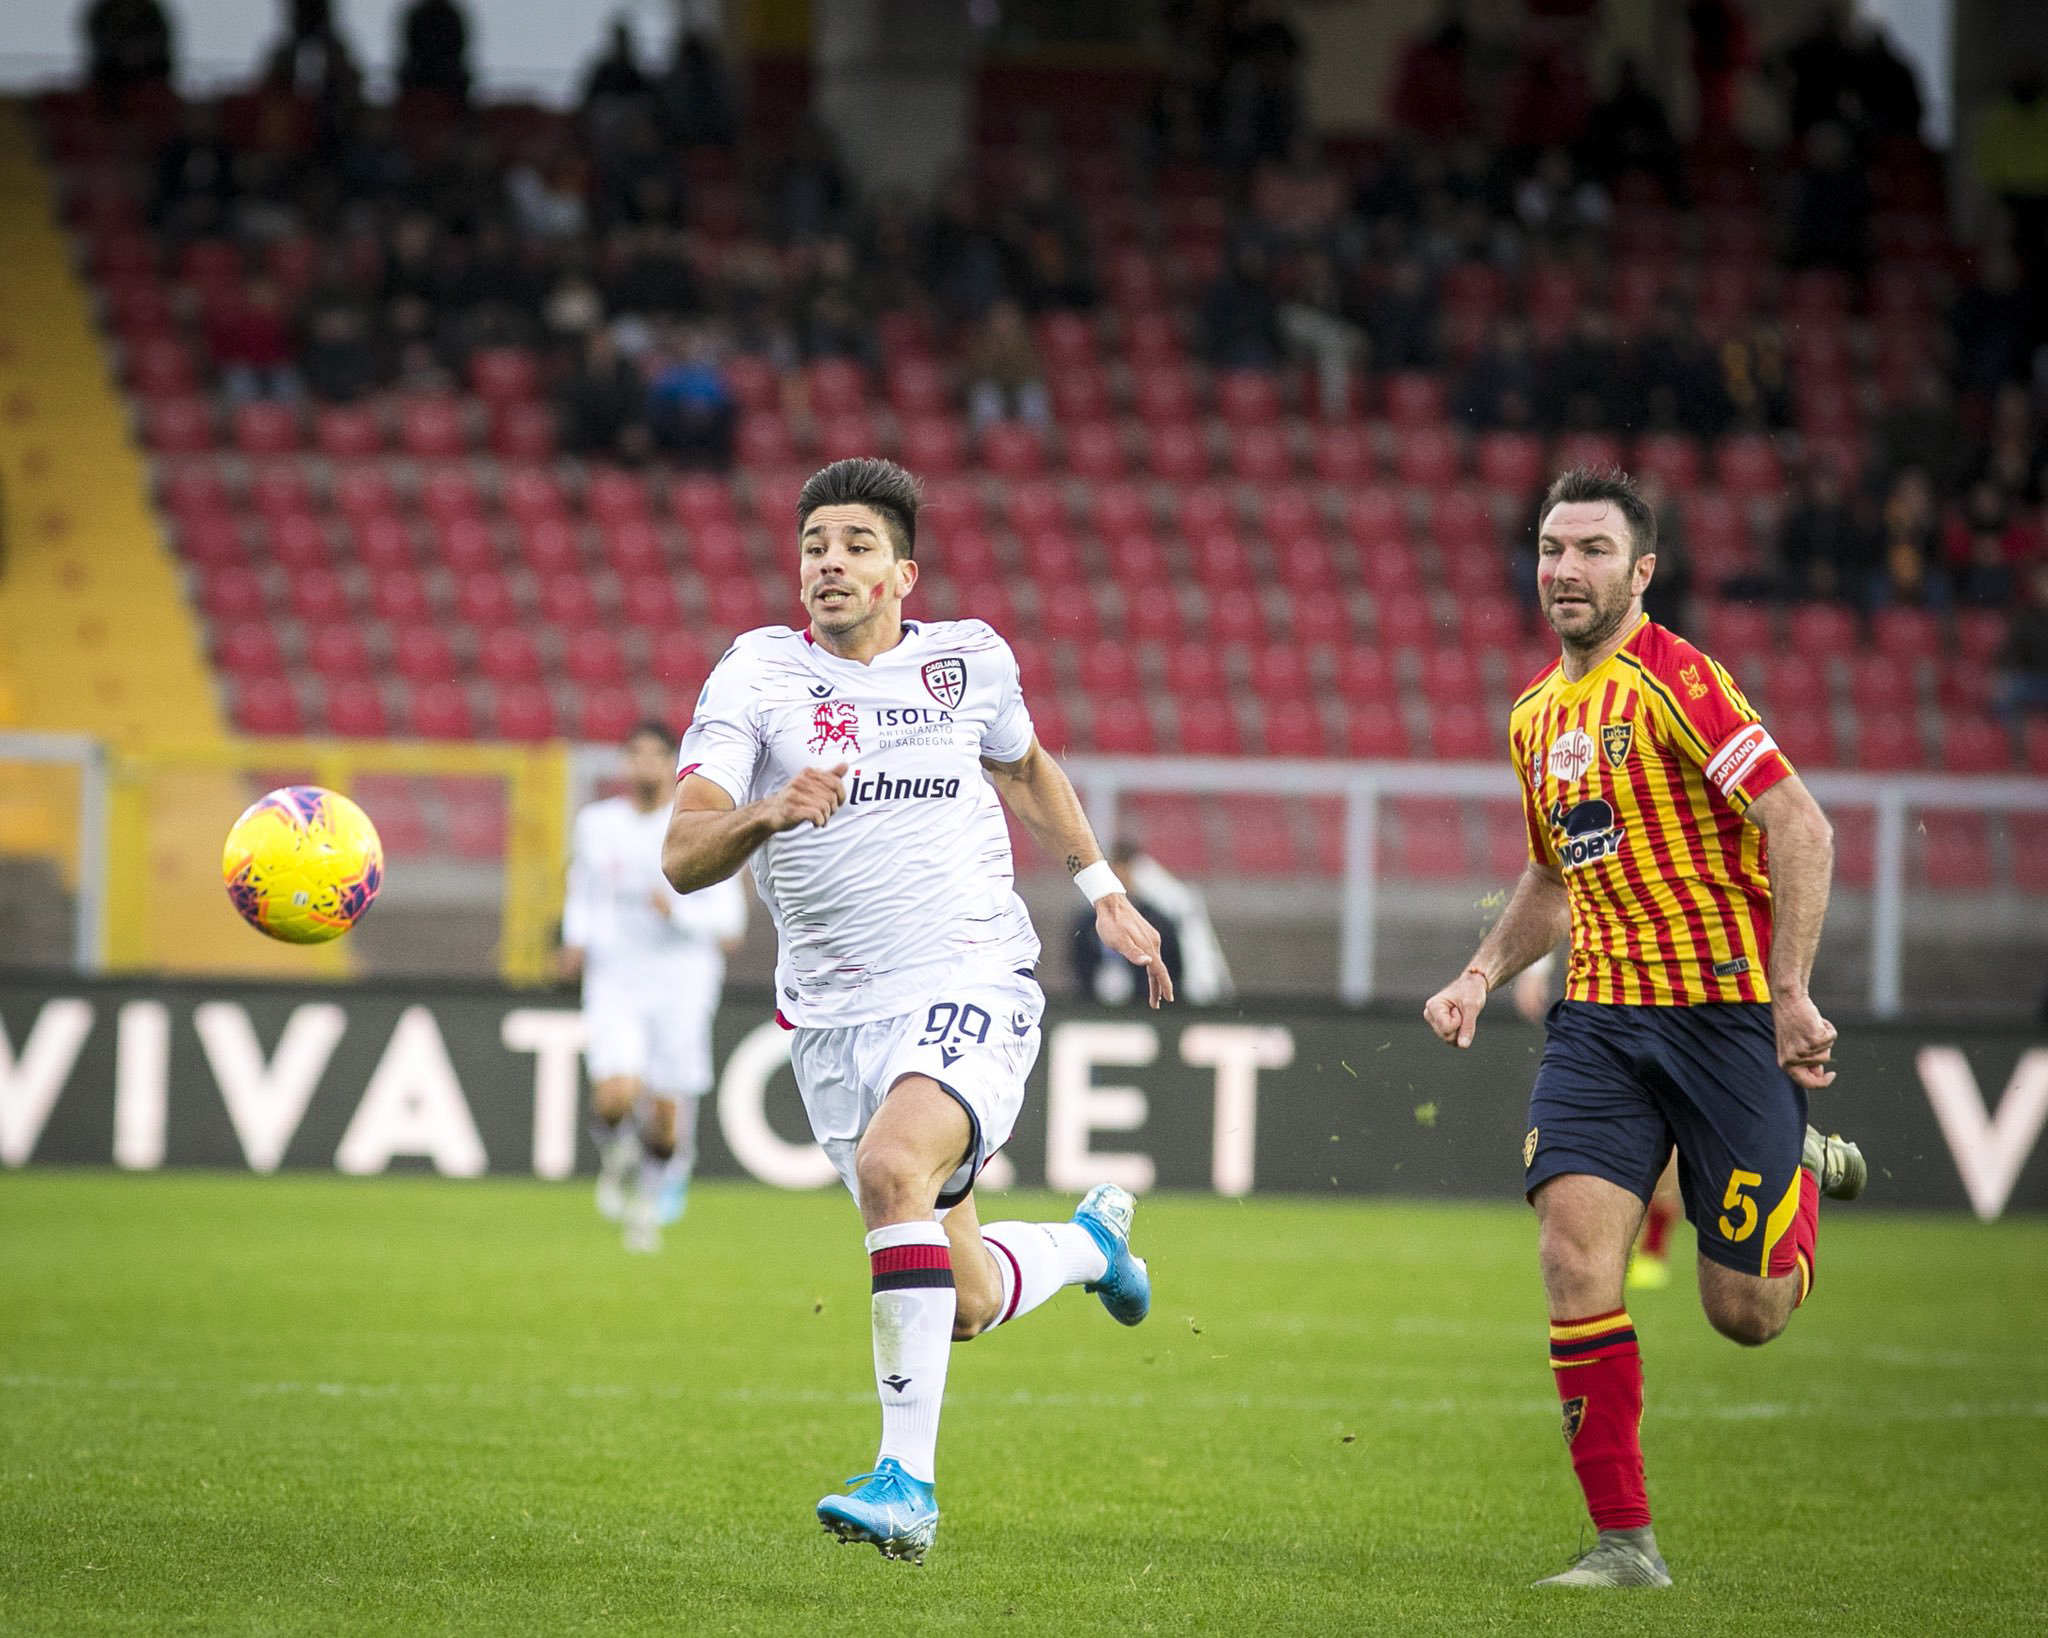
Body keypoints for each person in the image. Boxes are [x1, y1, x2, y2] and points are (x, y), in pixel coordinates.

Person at [662, 457, 1172, 1564]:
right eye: (813, 546)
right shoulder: (756, 676)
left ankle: (906, 1484)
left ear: (903, 574)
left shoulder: (968, 660)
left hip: (971, 977)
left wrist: (1102, 890)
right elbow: (683, 853)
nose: (828, 563)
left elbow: (1025, 770)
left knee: (894, 1167)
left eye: (855, 545)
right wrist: (765, 813)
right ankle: (1087, 1248)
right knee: (966, 1299)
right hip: (833, 1021)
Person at [1423, 465, 1866, 1590]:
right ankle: (1624, 1543)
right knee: (1572, 1254)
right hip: (1601, 1024)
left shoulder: (1679, 681)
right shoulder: (1533, 715)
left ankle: (1796, 1169)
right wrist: (1479, 971)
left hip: (1723, 1020)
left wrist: (1790, 993)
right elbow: (1550, 875)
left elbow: (1800, 827)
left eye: (1592, 551)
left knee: (1745, 1312)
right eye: (1551, 549)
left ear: (1642, 571)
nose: (1565, 570)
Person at [559, 721, 747, 1254]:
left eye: (654, 755)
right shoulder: (597, 824)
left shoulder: (699, 827)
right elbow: (583, 890)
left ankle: (647, 1201)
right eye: (634, 754)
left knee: (666, 1120)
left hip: (683, 984)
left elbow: (730, 925)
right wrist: (576, 940)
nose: (643, 765)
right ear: (622, 763)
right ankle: (617, 1162)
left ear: (672, 764)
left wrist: (678, 912)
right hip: (616, 976)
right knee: (615, 1094)